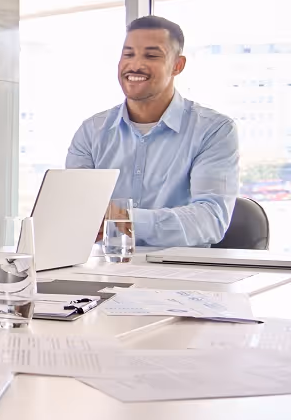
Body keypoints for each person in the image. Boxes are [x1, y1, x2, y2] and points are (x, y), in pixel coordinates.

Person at [66, 15, 239, 247]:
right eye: (128, 54)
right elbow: (75, 210)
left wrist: (124, 219)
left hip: (180, 273)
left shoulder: (214, 130)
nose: (135, 65)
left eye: (151, 55)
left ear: (177, 65)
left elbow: (210, 219)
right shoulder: (91, 131)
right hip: (103, 269)